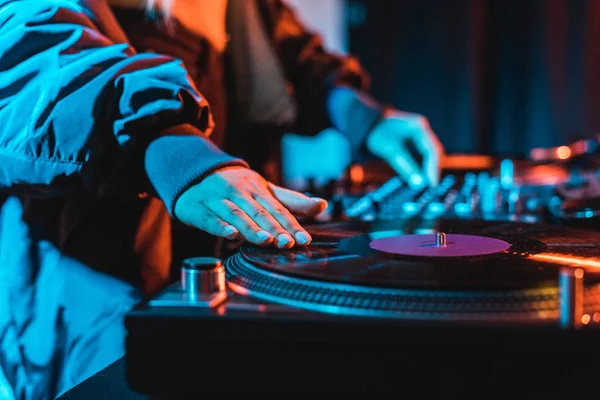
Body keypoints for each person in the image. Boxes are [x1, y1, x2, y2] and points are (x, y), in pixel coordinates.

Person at [0, 0, 443, 398]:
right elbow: (35, 54)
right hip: (94, 305)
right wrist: (179, 155)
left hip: (234, 291)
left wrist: (364, 115)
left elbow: (292, 57)